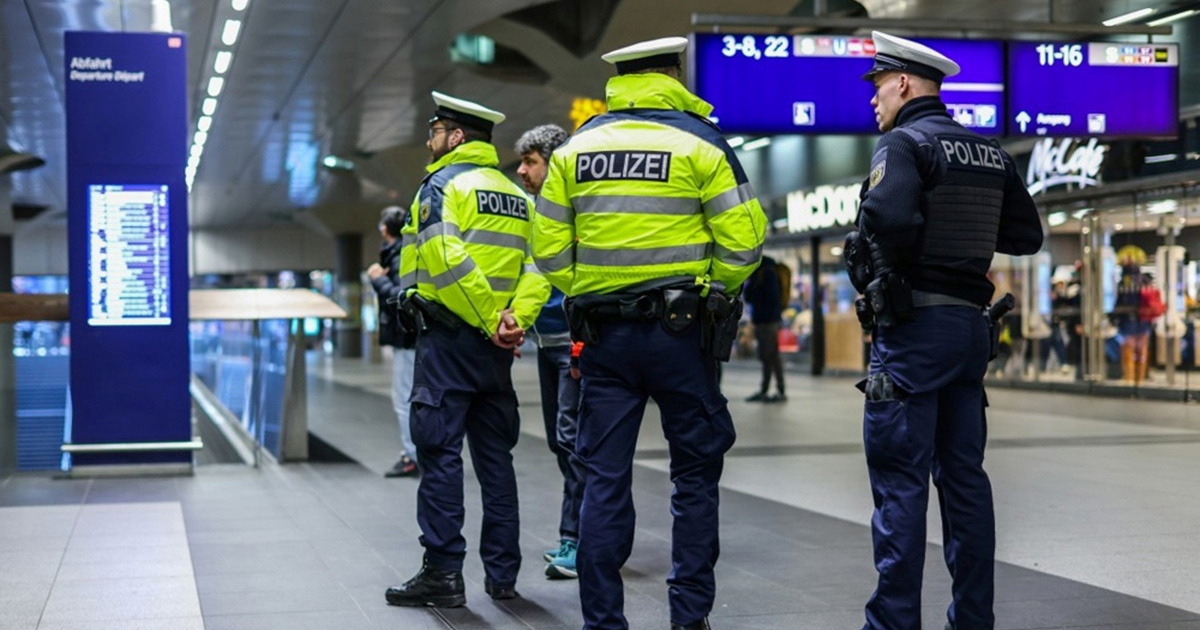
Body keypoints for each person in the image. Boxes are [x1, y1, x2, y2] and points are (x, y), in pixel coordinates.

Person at [533, 36, 767, 630]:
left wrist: (591, 286)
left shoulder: (574, 152)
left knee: (602, 478)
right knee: (694, 474)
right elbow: (743, 244)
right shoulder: (702, 143)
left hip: (604, 341)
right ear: (675, 74)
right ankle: (689, 619)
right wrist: (710, 288)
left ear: (619, 81)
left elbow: (549, 252)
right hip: (682, 336)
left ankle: (603, 622)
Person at [849, 32, 1043, 630]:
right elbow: (1025, 237)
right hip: (968, 334)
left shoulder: (903, 144)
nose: (873, 100)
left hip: (912, 333)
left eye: (878, 86)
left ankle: (893, 624)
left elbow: (891, 214)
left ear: (904, 82)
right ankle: (973, 621)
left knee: (901, 483)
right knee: (964, 481)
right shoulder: (990, 152)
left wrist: (875, 244)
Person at [384, 91, 549, 609]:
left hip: (452, 338)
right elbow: (538, 268)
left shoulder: (441, 185)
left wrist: (484, 318)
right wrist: (511, 321)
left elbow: (445, 256)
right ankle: (503, 576)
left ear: (456, 136)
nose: (429, 140)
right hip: (496, 349)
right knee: (496, 460)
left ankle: (443, 575)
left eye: (435, 130)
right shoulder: (516, 194)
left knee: (439, 455)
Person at [514, 122, 585, 580]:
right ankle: (577, 534)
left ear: (553, 160)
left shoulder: (574, 207)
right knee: (564, 443)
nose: (522, 171)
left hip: (575, 342)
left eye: (530, 161)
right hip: (549, 341)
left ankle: (579, 541)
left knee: (574, 441)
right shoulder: (542, 209)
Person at [367, 205, 420, 478]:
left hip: (407, 339)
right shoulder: (401, 251)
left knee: (404, 400)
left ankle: (413, 456)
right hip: (410, 339)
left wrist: (377, 280)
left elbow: (400, 299)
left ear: (385, 229)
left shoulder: (398, 254)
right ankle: (416, 453)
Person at [743, 255, 786, 402]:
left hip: (768, 321)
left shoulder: (766, 273)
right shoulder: (761, 273)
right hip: (764, 320)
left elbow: (771, 297)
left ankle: (779, 390)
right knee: (766, 356)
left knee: (771, 356)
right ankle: (766, 389)